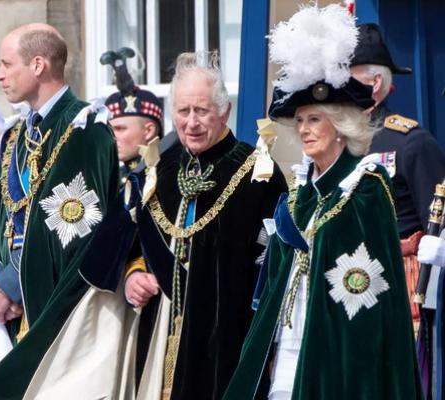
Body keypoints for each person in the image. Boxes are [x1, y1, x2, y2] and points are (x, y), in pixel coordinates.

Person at [223, 5, 422, 399]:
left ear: (340, 125)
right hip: (287, 349)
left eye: (315, 119)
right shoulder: (298, 195)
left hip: (339, 358)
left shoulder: (365, 189)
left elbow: (370, 299)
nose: (304, 129)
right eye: (299, 121)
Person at [120, 50, 286, 400]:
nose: (191, 122)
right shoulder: (160, 172)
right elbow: (134, 243)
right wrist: (134, 274)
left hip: (225, 341)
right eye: (183, 111)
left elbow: (270, 266)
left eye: (202, 111)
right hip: (159, 332)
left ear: (224, 111)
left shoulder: (258, 174)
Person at [0, 23, 118, 399]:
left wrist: (9, 285)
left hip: (54, 307)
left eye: (7, 64)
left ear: (37, 65)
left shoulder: (86, 128)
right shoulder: (15, 134)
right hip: (9, 307)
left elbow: (72, 230)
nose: (0, 75)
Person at [350, 23, 445, 332]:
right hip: (344, 275)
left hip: (400, 280)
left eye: (345, 77)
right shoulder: (335, 143)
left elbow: (438, 228)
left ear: (374, 82)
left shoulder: (410, 142)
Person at [103, 48, 164, 177]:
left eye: (120, 129)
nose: (112, 138)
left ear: (149, 131)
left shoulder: (165, 175)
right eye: (110, 130)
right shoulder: (114, 179)